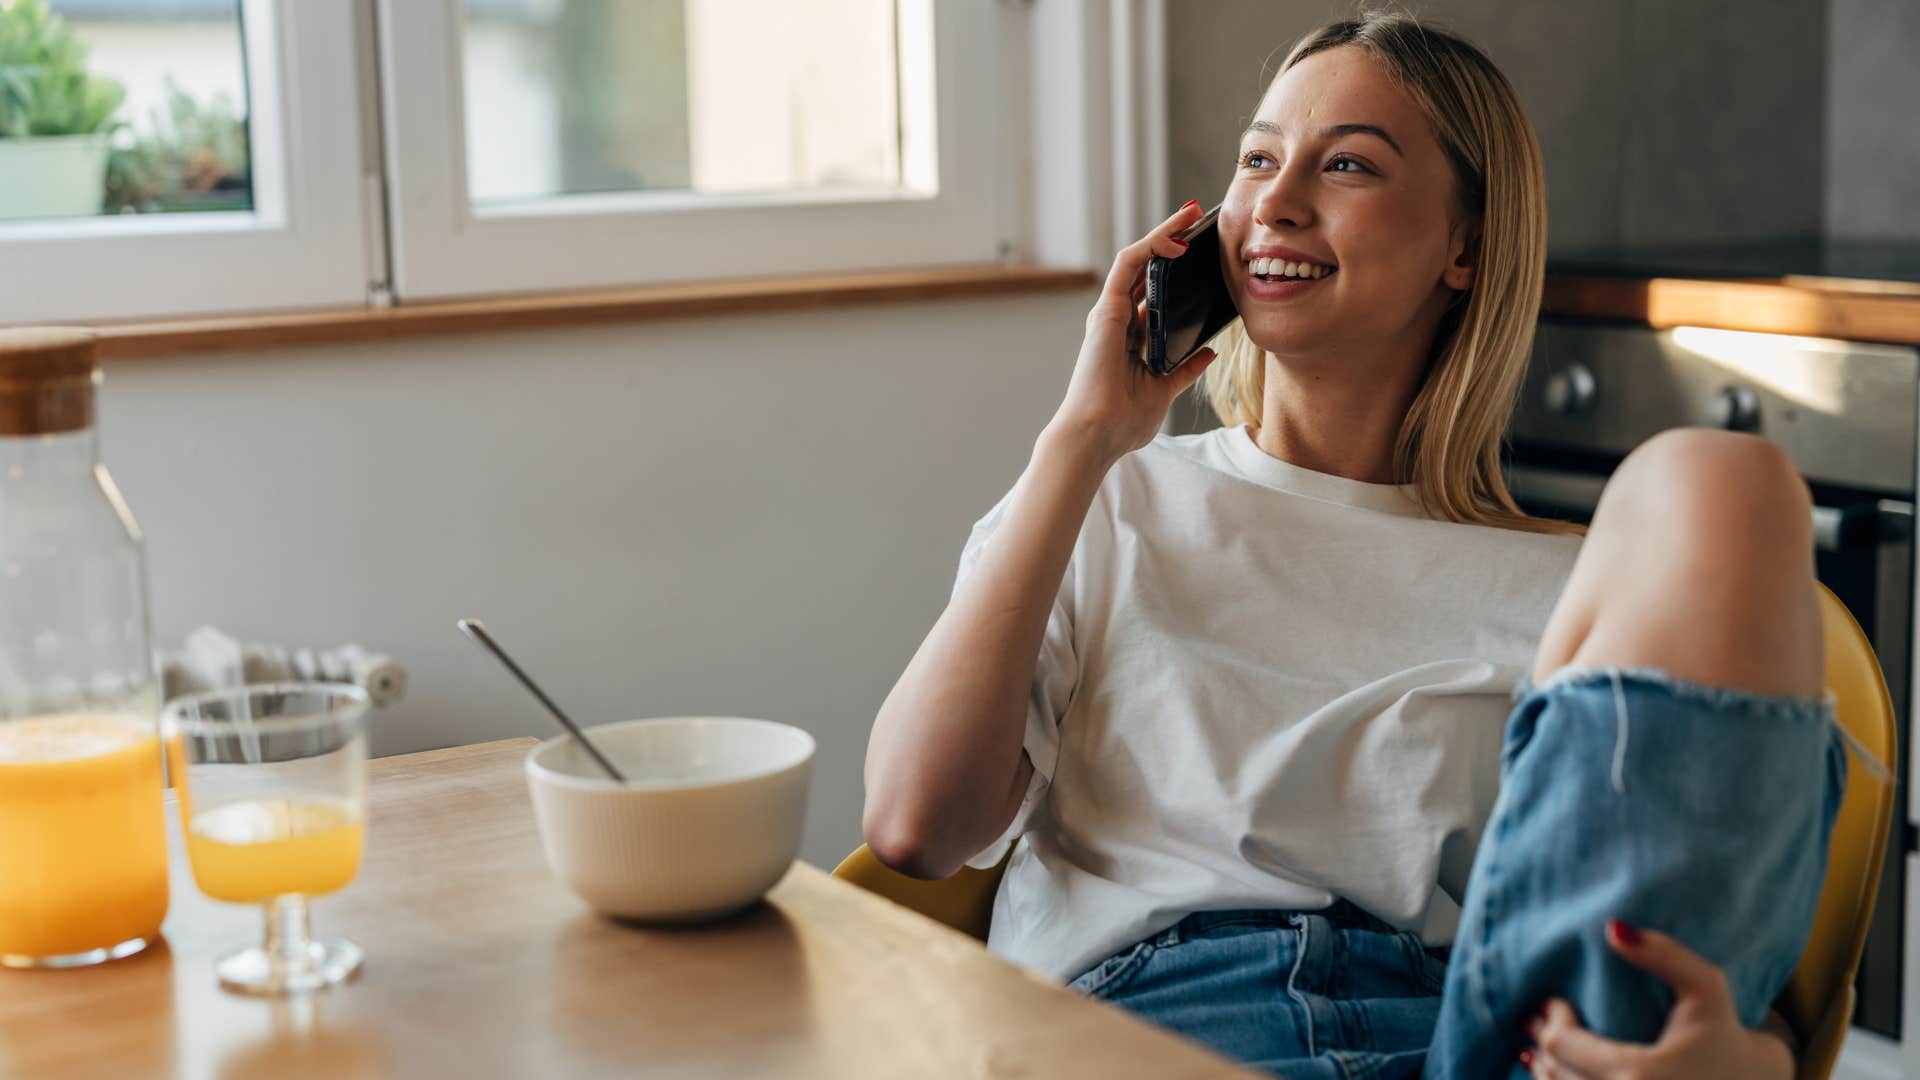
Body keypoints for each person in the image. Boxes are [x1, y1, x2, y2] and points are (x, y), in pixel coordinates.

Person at [862, 13, 1856, 1079]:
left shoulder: (1583, 594)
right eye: (1257, 159)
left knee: (1726, 479)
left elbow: (1692, 902)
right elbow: (914, 826)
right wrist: (1082, 439)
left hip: (1467, 1040)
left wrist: (1755, 1061)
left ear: (1465, 247)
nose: (1277, 202)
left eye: (1346, 165)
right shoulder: (1106, 501)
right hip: (1155, 1027)